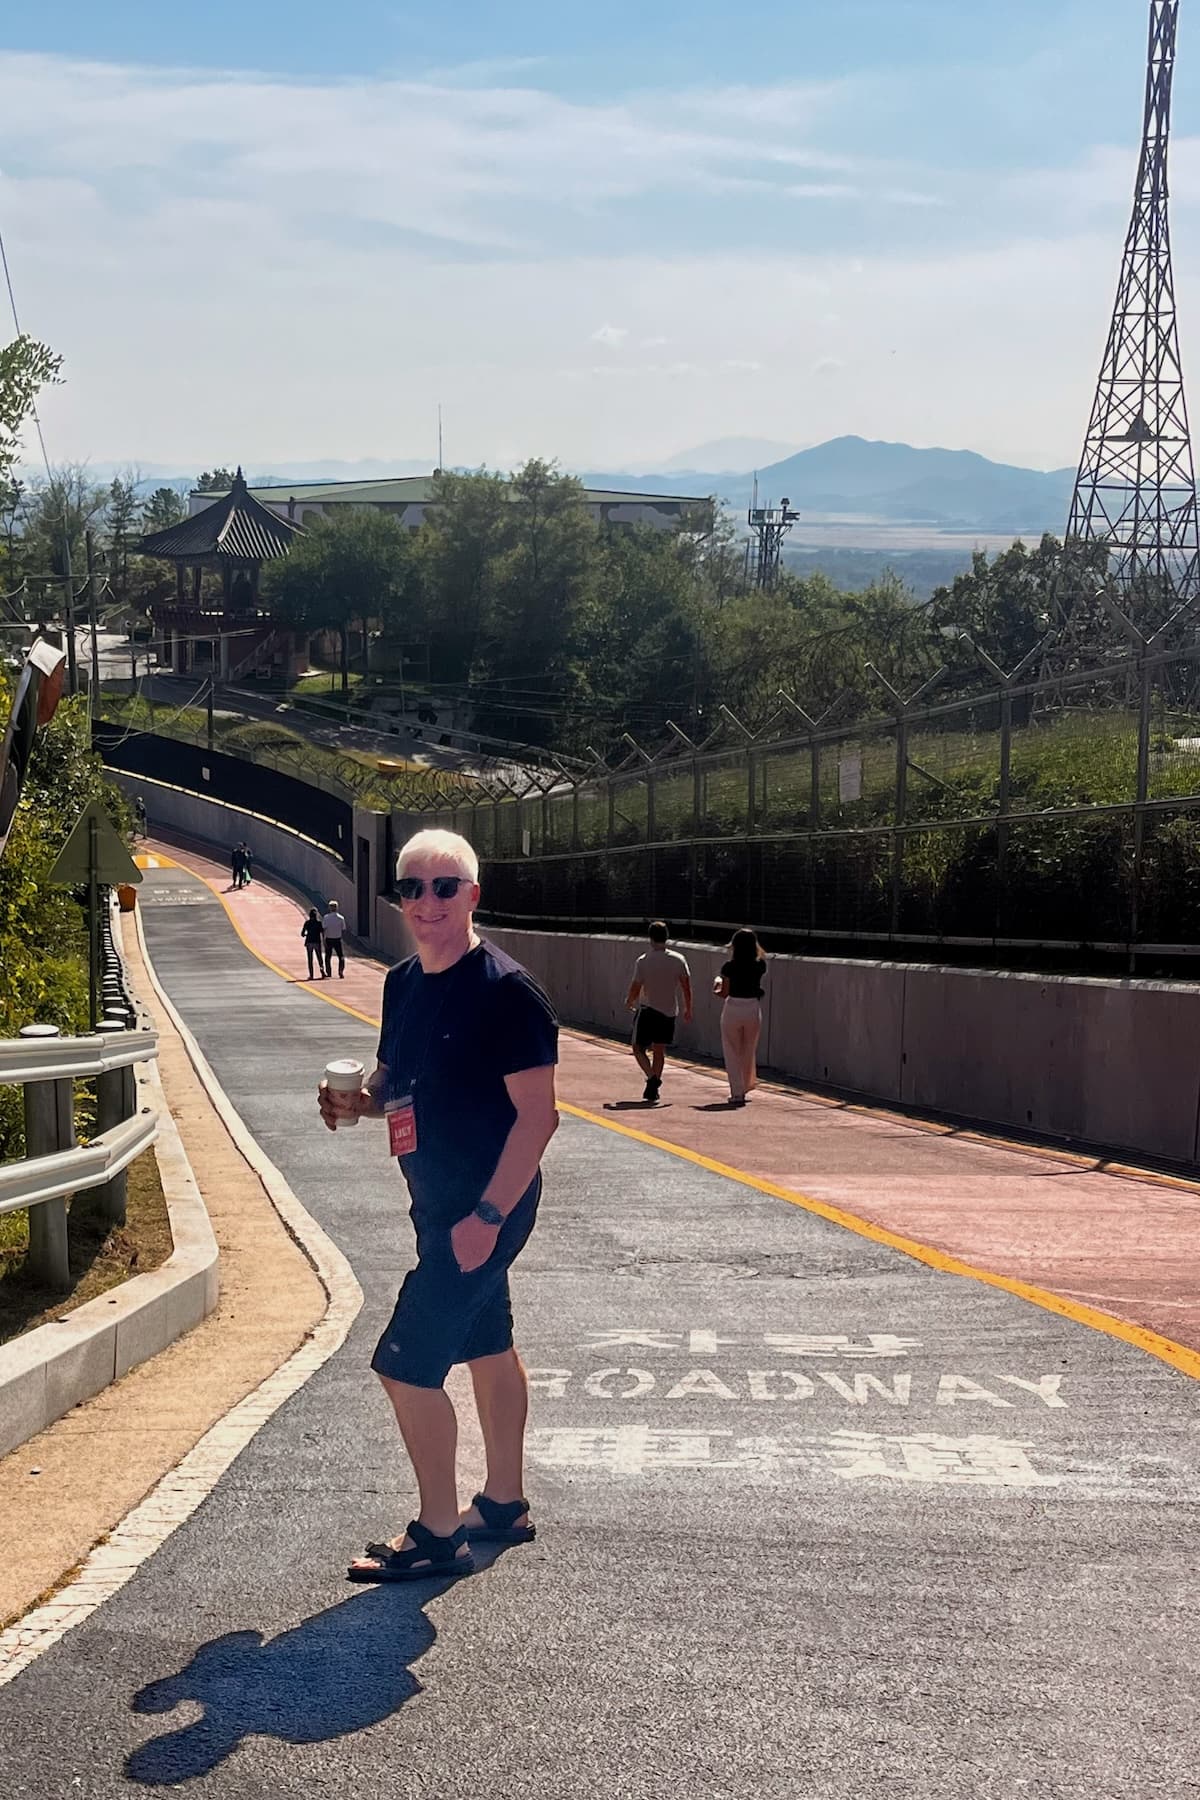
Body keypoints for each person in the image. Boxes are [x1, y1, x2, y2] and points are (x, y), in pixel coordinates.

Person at [317, 828, 559, 1582]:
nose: (426, 902)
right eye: (411, 887)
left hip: (484, 1208)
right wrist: (354, 1104)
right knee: (488, 1346)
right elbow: (396, 1082)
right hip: (439, 1203)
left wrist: (486, 1220)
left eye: (444, 886)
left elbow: (538, 1117)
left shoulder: (506, 992)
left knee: (405, 1367)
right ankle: (503, 1504)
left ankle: (438, 1532)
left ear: (473, 896)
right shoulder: (403, 984)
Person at [625, 920, 692, 1103]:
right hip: (669, 1011)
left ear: (650, 938)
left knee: (638, 1048)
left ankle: (652, 1078)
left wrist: (630, 1000)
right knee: (659, 1050)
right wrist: (688, 1008)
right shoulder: (678, 960)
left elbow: (636, 985)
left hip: (648, 1010)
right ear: (667, 937)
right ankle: (653, 1088)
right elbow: (686, 986)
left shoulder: (643, 960)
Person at [713, 928, 767, 1106]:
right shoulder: (760, 965)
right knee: (748, 1049)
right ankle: (746, 1084)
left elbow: (724, 993)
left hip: (733, 1007)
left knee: (731, 1050)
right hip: (752, 1007)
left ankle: (736, 1092)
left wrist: (716, 985)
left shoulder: (729, 967)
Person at [322, 899, 346, 977]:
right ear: (337, 908)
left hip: (329, 939)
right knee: (341, 956)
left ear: (329, 908)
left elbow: (324, 928)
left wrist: (323, 939)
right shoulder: (341, 918)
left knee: (328, 957)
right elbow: (343, 929)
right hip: (337, 939)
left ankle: (329, 972)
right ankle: (340, 971)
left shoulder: (326, 917)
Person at [300, 907, 325, 980]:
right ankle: (322, 970)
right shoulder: (319, 923)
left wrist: (306, 935)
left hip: (309, 942)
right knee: (319, 957)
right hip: (317, 942)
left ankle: (311, 975)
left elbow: (302, 934)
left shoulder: (307, 923)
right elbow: (322, 932)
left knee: (310, 959)